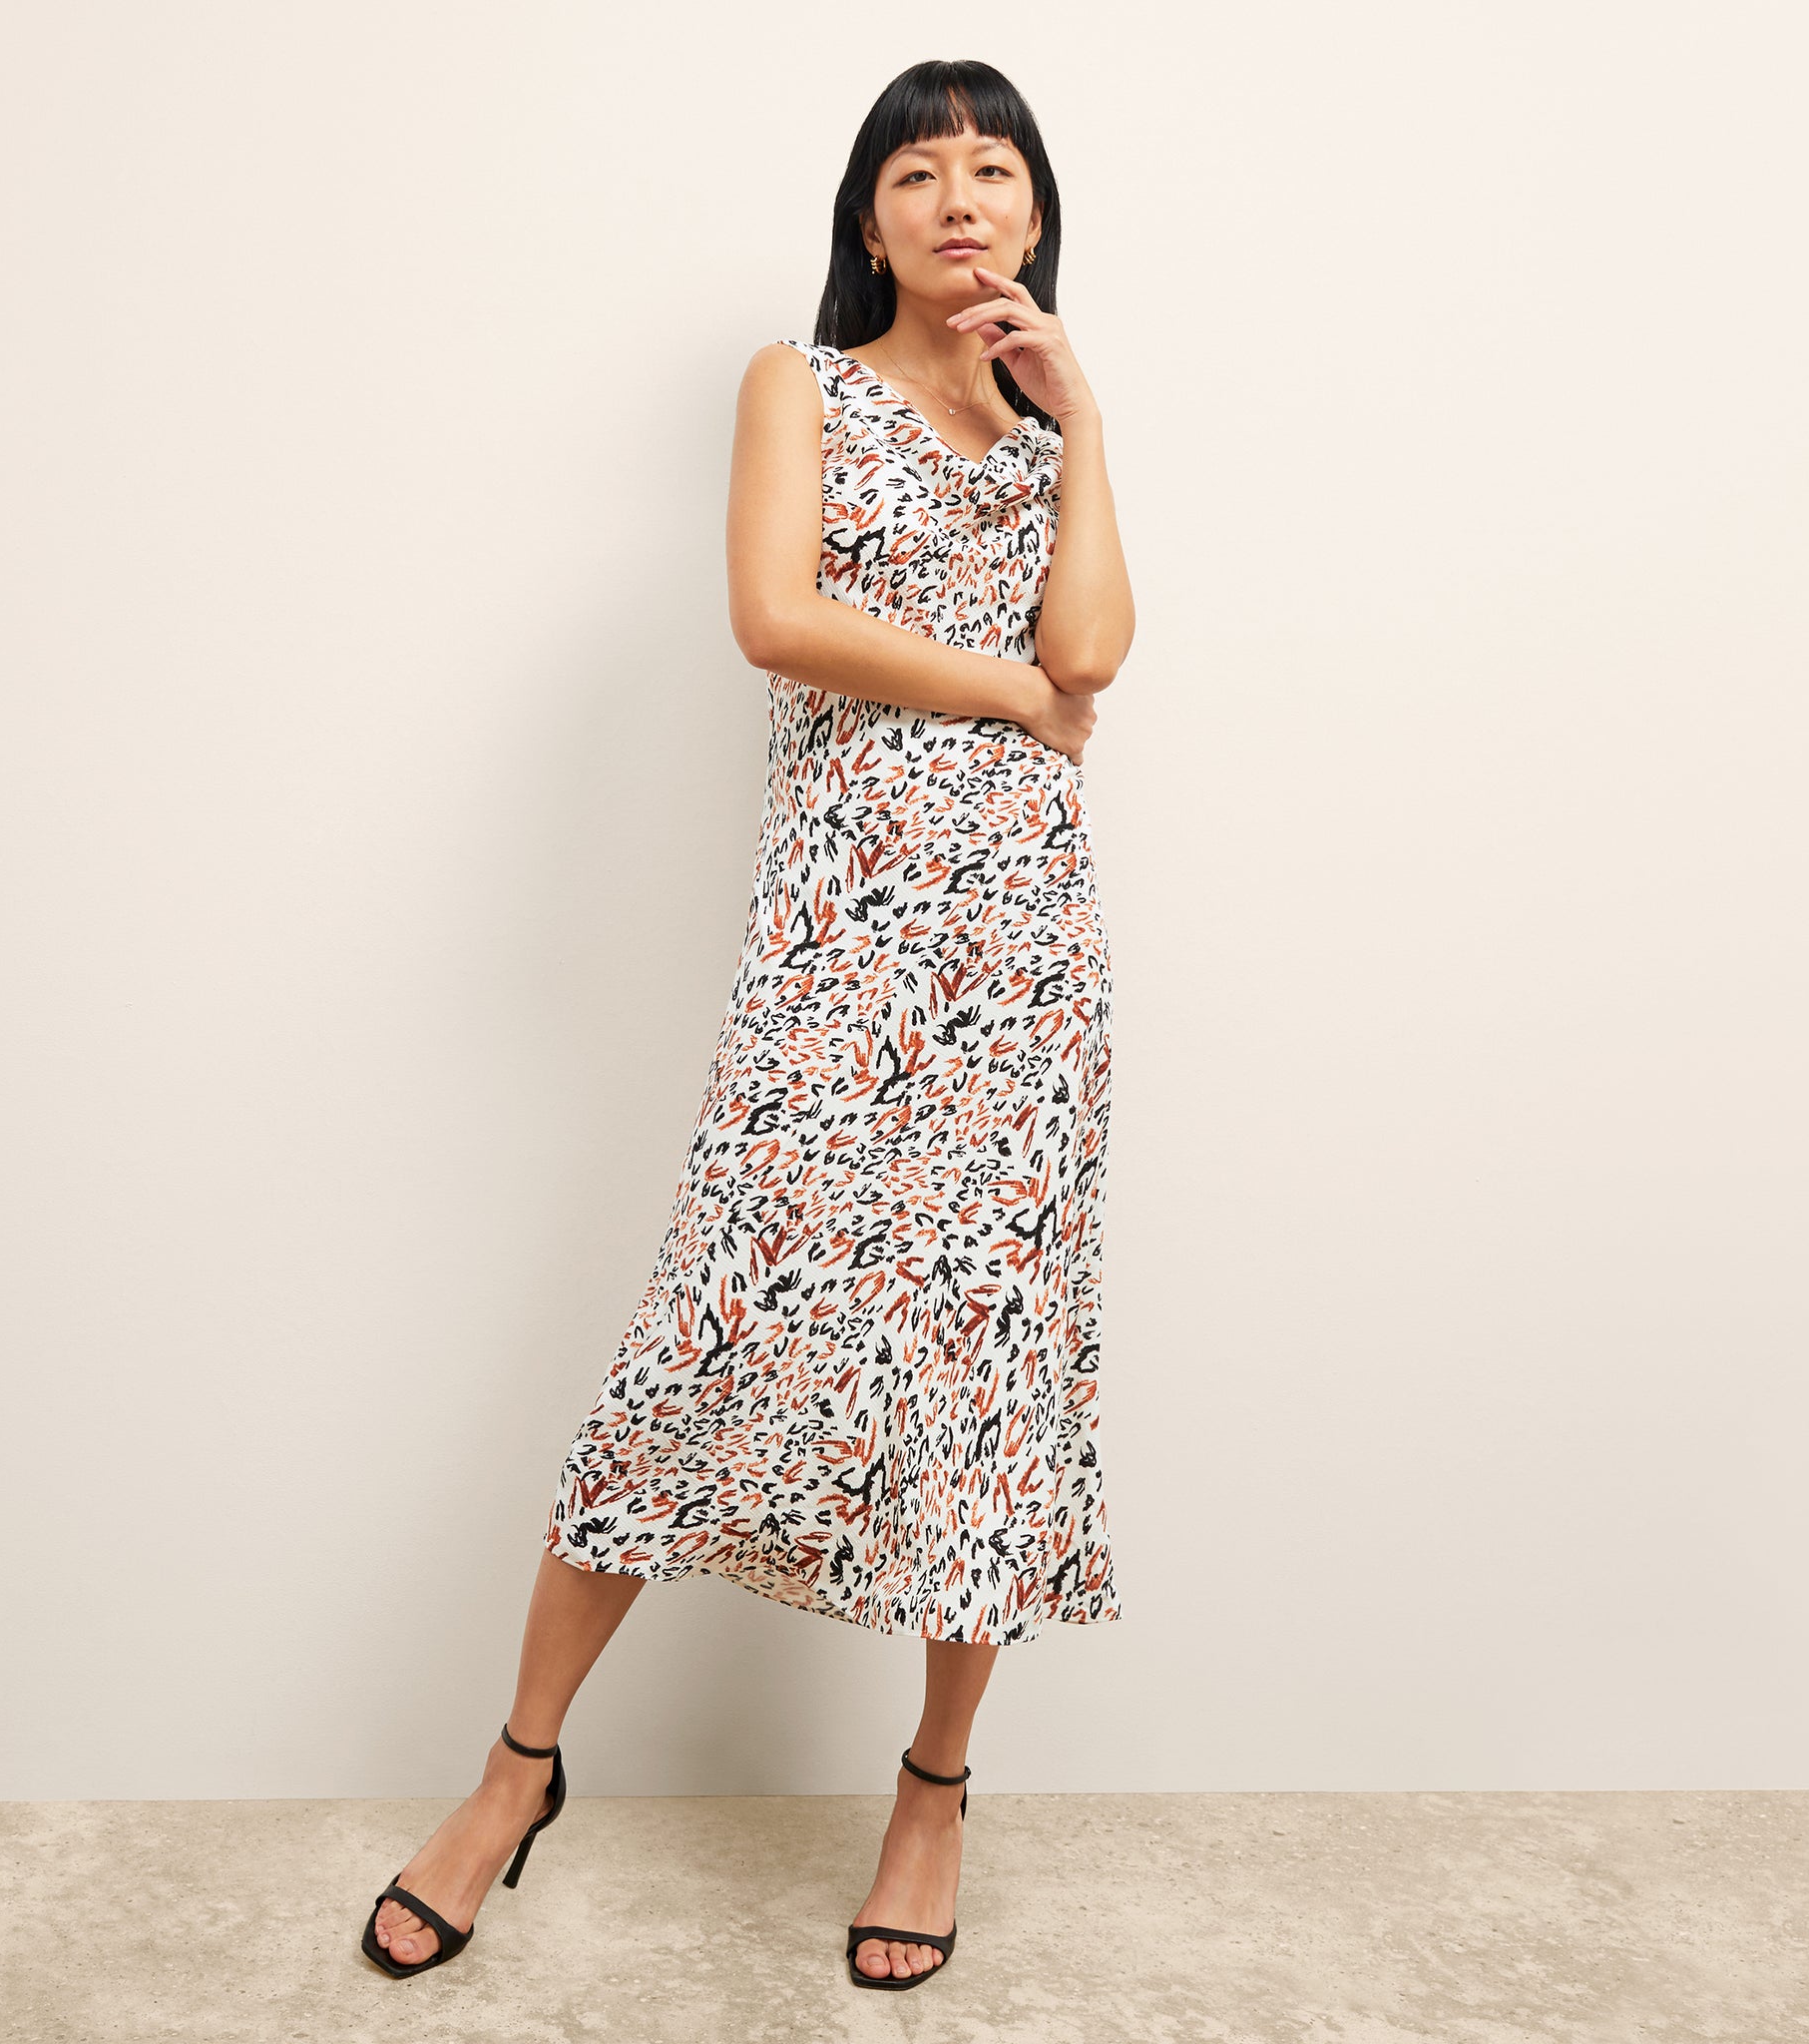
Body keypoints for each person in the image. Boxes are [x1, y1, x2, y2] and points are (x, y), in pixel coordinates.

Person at [361, 56, 1136, 1992]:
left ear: (1037, 213)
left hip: (1023, 960)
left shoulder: (1047, 428)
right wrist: (1000, 691)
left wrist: (1090, 427)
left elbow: (1096, 653)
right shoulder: (798, 383)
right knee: (702, 1336)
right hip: (836, 950)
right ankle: (517, 1768)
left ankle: (933, 1795)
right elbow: (776, 617)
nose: (959, 200)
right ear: (868, 214)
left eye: (994, 169)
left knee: (988, 1376)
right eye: (917, 171)